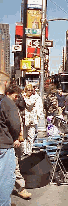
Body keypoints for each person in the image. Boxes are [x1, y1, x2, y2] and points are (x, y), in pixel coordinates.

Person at [6, 83, 32, 199]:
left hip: (11, 140)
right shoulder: (6, 106)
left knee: (14, 164)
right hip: (8, 141)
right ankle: (20, 188)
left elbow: (17, 123)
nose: (17, 98)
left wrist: (19, 136)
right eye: (15, 96)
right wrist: (16, 138)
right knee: (13, 165)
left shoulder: (12, 105)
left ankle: (17, 188)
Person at [0, 76, 21, 206]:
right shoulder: (6, 102)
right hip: (3, 145)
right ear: (6, 84)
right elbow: (15, 124)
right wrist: (14, 138)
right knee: (5, 178)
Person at [22, 84, 39, 155]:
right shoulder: (22, 97)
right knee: (24, 137)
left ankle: (29, 151)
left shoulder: (34, 97)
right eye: (28, 90)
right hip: (24, 120)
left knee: (31, 137)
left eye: (31, 90)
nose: (29, 92)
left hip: (32, 120)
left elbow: (29, 105)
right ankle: (24, 151)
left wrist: (25, 98)